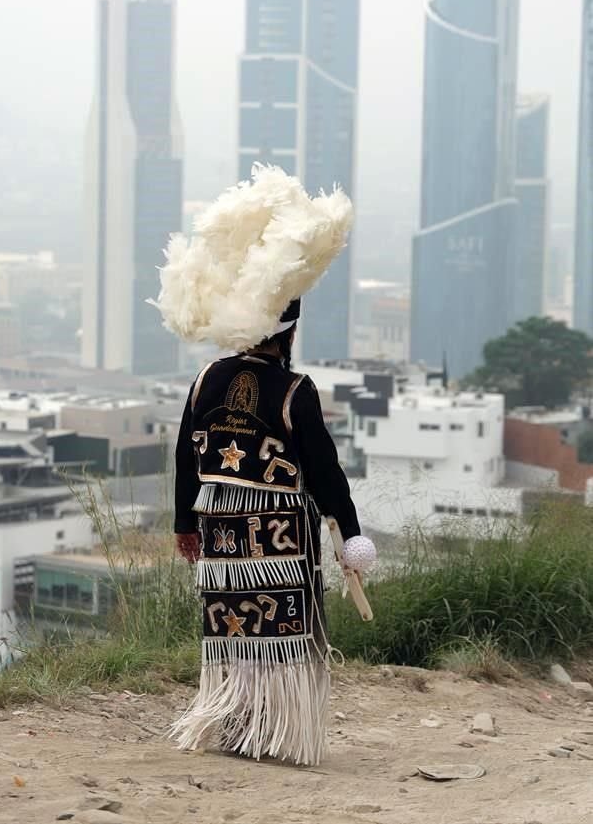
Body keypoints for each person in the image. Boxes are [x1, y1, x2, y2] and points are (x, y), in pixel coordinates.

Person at [151, 165, 372, 766]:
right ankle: (274, 731)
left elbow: (183, 455)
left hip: (222, 532)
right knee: (281, 637)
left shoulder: (205, 377)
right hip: (278, 538)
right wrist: (350, 533)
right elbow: (325, 470)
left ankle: (234, 721)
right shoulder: (293, 389)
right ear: (289, 328)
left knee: (230, 630)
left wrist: (183, 523)